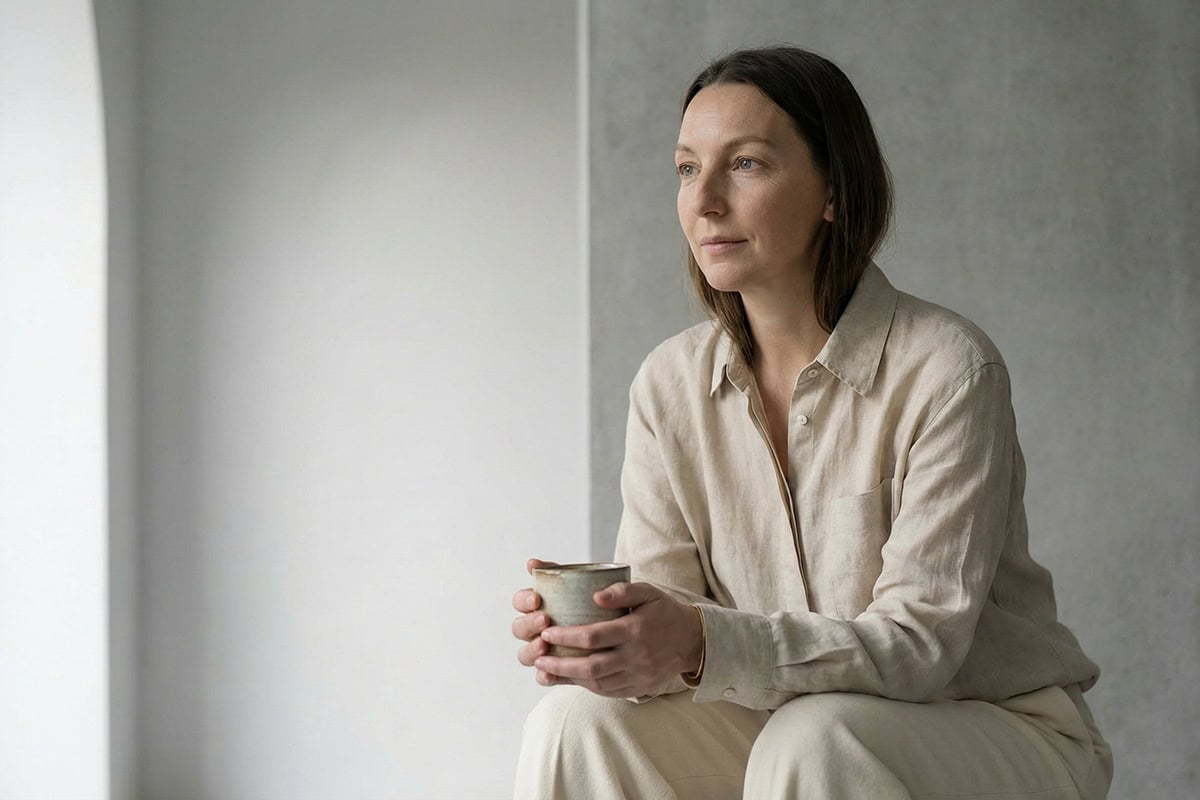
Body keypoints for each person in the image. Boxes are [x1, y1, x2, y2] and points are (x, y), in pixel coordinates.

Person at [510, 46, 1113, 799]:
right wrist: (617, 642)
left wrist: (701, 643)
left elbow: (920, 647)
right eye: (688, 169)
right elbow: (675, 619)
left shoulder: (949, 370)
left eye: (746, 164)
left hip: (992, 727)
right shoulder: (668, 385)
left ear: (833, 190)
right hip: (782, 726)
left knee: (817, 736)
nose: (705, 202)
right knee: (573, 722)